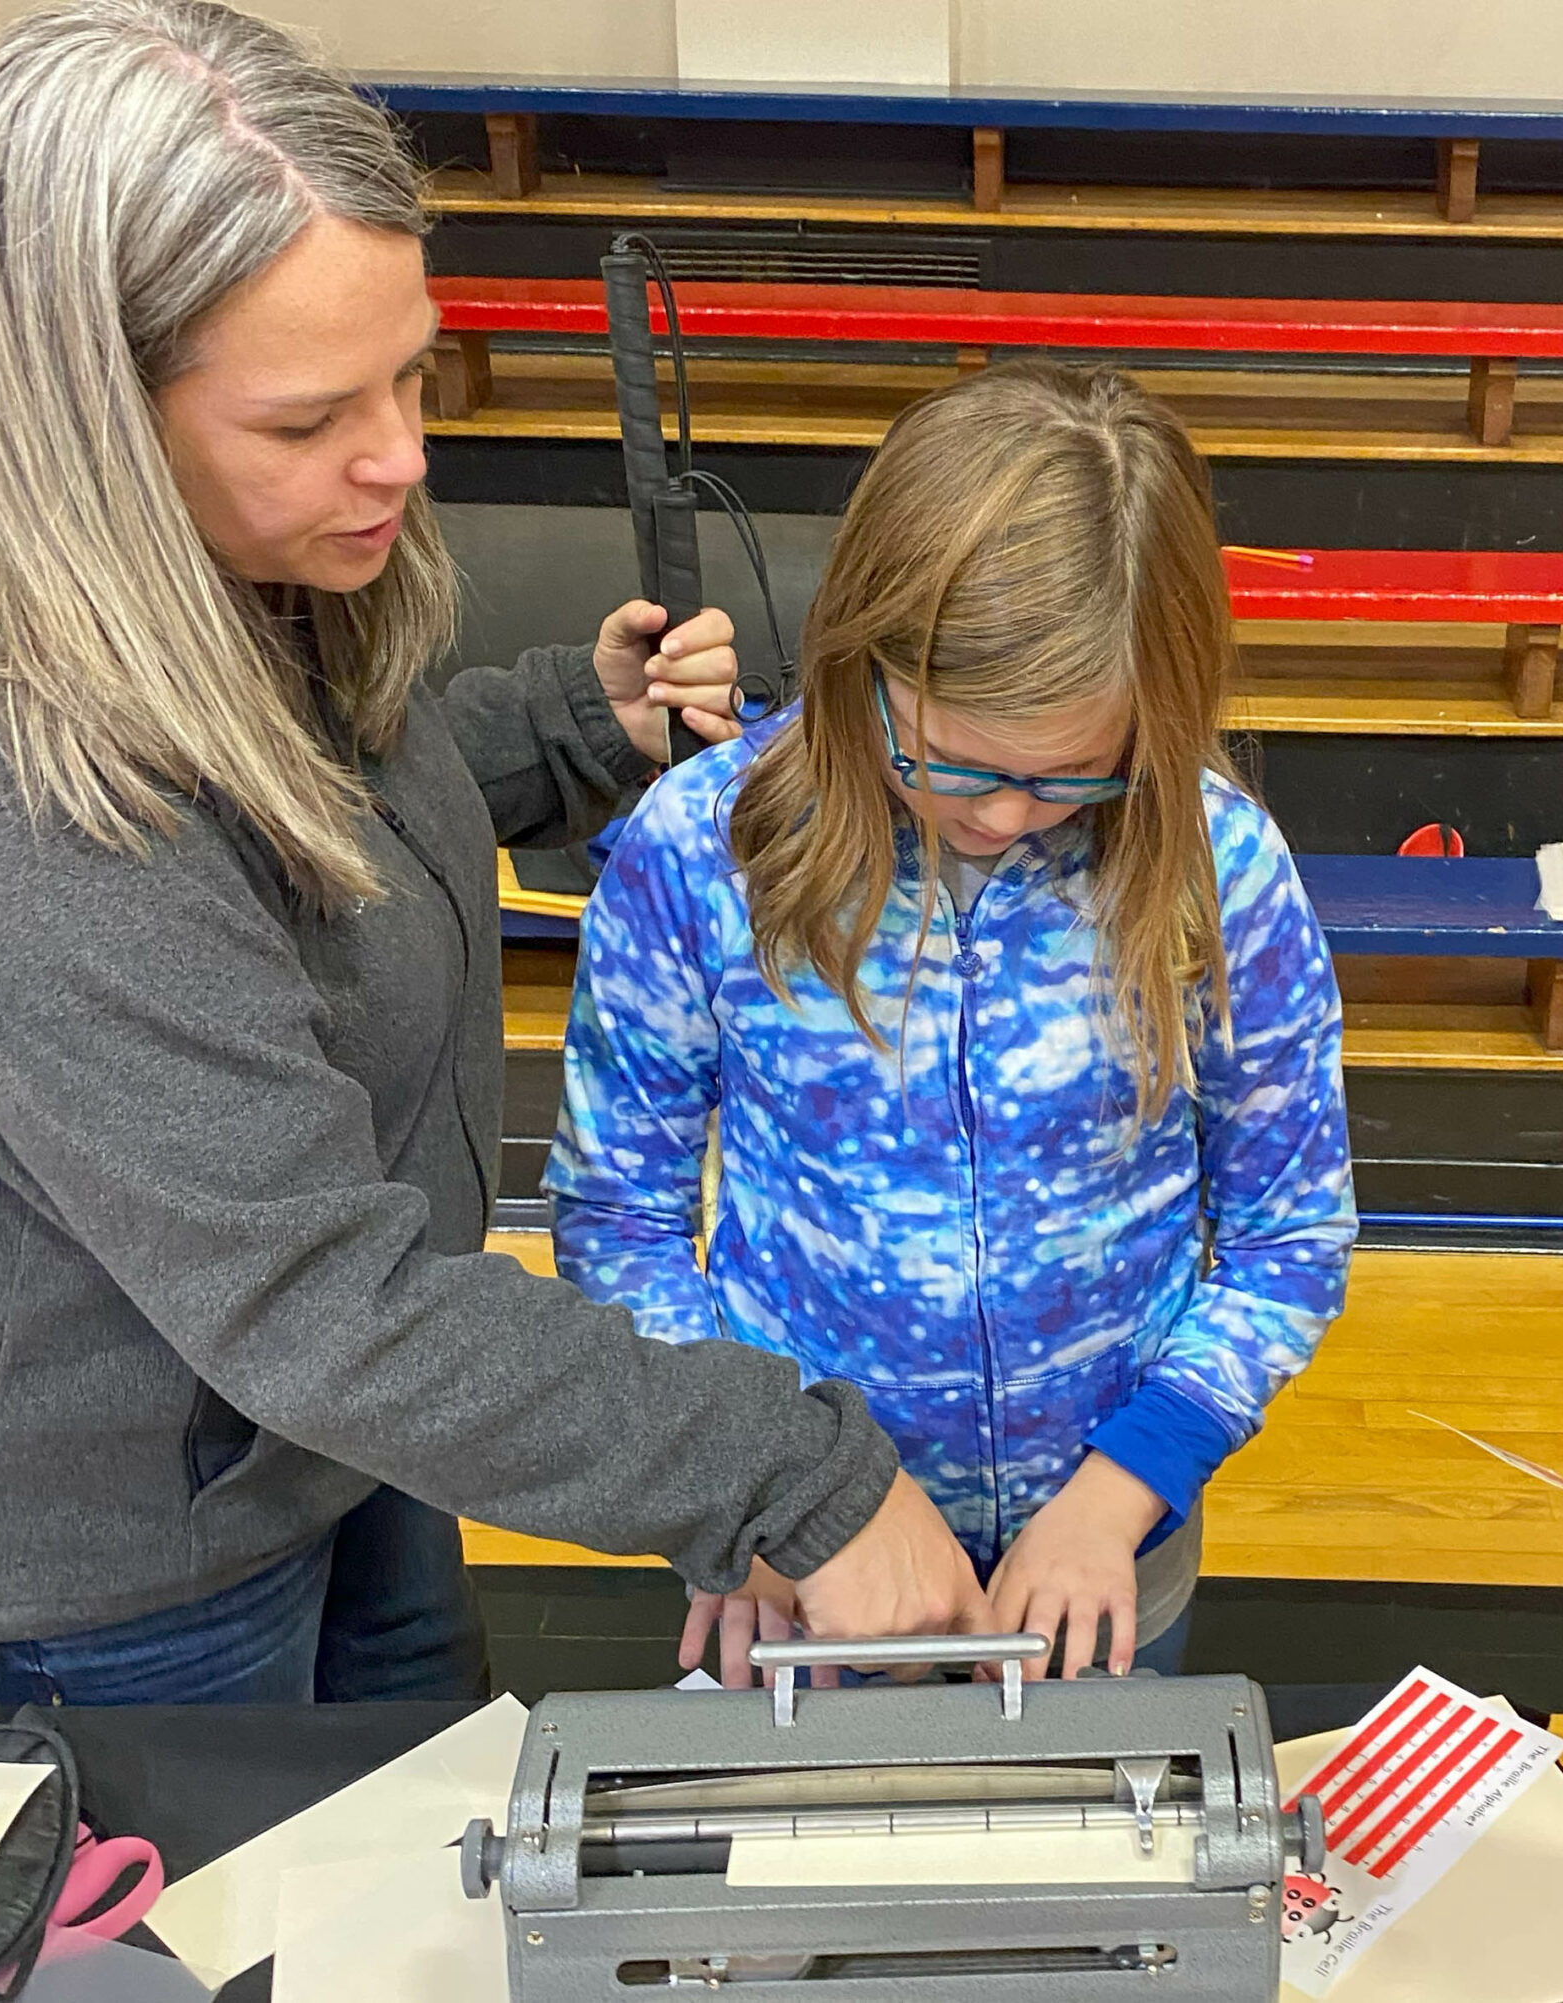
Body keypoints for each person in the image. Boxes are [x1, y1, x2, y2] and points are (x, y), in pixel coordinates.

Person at [0, 0, 984, 1709]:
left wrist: (566, 732)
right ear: (86, 419)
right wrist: (800, 1477)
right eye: (311, 418)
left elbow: (290, 821)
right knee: (247, 1952)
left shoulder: (253, 567)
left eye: (411, 370)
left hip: (327, 1443)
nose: (399, 455)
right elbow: (319, 1293)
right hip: (121, 1563)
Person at [546, 359, 1356, 1683]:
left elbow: (1288, 1234)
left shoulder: (1220, 863)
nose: (1000, 816)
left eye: (1074, 777)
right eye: (951, 761)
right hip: (795, 1566)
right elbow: (617, 1221)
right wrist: (749, 1497)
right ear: (862, 654)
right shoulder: (701, 849)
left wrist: (1118, 1495)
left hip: (1105, 1563)